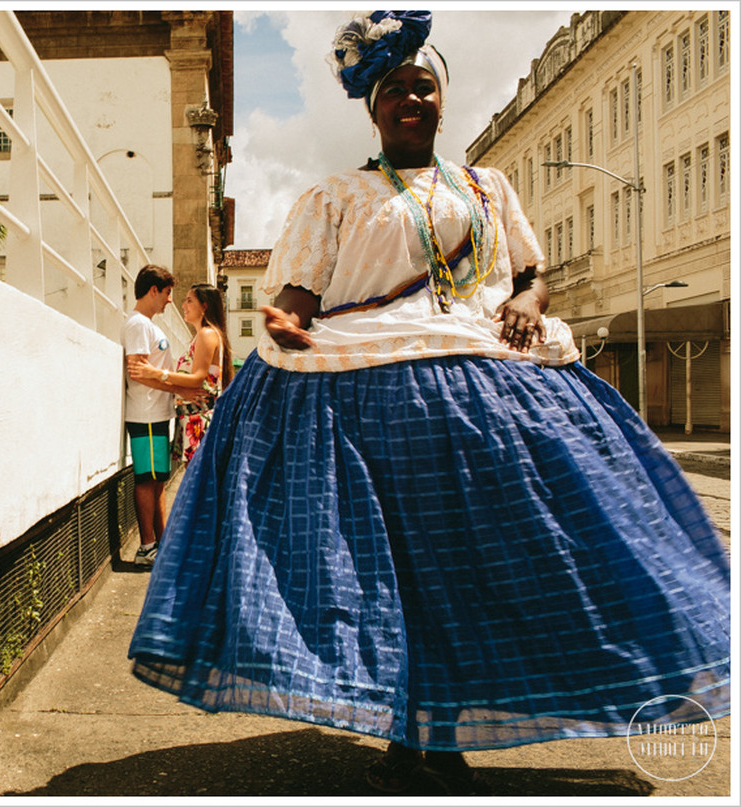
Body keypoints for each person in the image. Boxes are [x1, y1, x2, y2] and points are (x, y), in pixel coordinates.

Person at [128, 10, 729, 795]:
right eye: (396, 91)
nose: (412, 100)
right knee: (394, 579)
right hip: (372, 408)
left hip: (488, 389)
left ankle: (448, 723)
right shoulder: (336, 195)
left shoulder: (490, 187)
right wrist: (281, 316)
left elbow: (529, 272)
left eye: (424, 87)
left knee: (493, 569)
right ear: (373, 110)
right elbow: (302, 295)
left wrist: (527, 302)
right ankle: (412, 725)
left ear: (444, 102)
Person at [128, 283, 234, 465]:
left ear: (205, 306)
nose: (183, 306)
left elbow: (197, 378)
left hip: (200, 420)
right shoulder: (202, 335)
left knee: (197, 484)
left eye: (189, 301)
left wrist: (155, 373)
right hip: (193, 419)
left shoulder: (207, 334)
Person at [121, 264, 177, 568]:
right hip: (145, 414)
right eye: (167, 293)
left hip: (156, 413)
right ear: (153, 290)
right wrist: (175, 384)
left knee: (157, 481)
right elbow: (138, 371)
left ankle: (160, 543)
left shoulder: (146, 324)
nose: (170, 300)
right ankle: (147, 547)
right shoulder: (138, 324)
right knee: (147, 480)